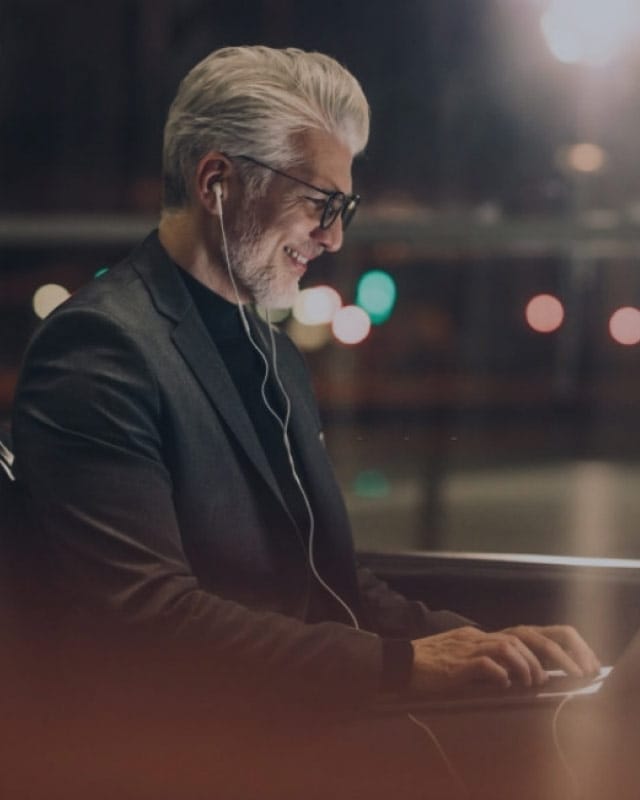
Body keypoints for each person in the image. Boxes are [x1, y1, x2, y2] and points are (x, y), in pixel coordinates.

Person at [11, 46, 599, 717]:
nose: (334, 237)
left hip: (283, 725)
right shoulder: (99, 349)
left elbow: (331, 583)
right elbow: (148, 619)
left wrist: (475, 643)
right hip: (175, 751)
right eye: (321, 201)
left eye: (343, 206)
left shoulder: (273, 355)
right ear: (216, 184)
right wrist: (402, 664)